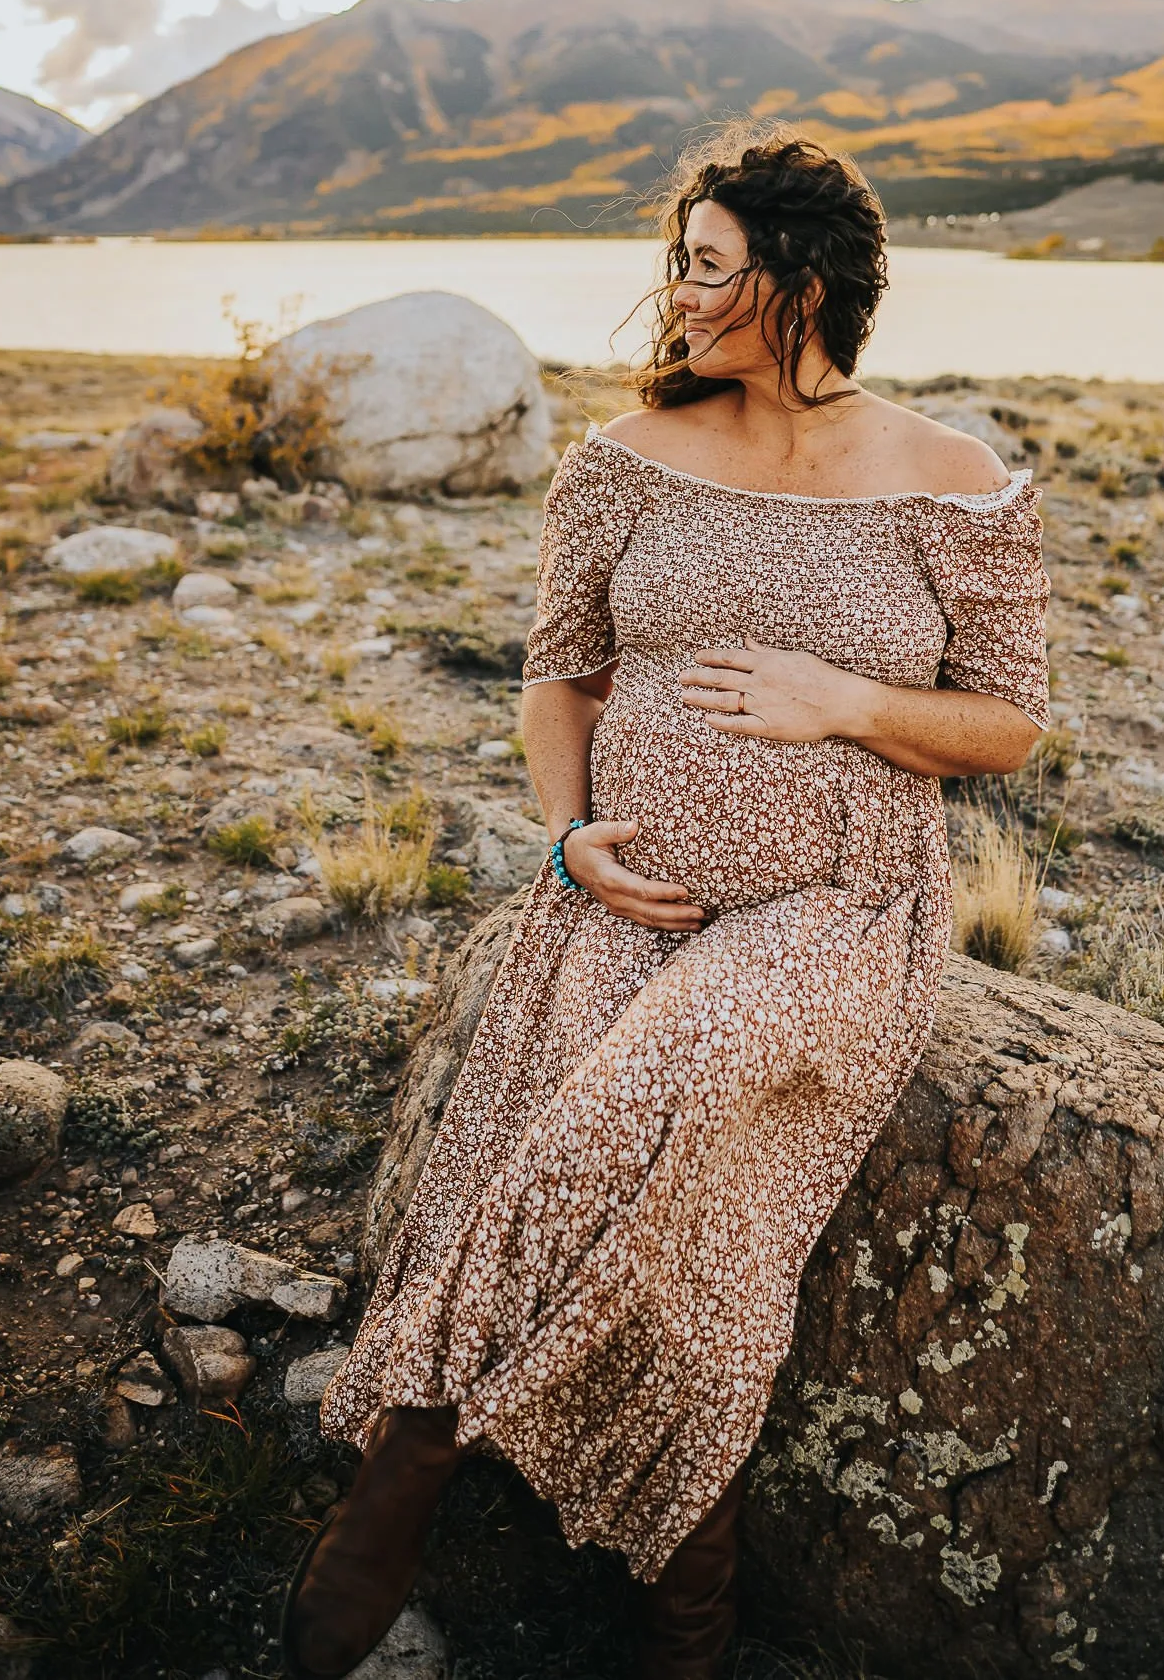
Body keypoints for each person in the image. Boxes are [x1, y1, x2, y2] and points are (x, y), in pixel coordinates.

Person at [284, 130, 1050, 1680]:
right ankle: (685, 1616)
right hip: (620, 901)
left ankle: (414, 1450)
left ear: (803, 281)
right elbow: (555, 676)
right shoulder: (623, 458)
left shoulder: (951, 483)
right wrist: (567, 844)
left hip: (837, 909)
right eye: (680, 262)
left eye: (707, 264)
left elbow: (1011, 725)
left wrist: (840, 699)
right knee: (703, 1243)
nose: (678, 293)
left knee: (652, 1078)